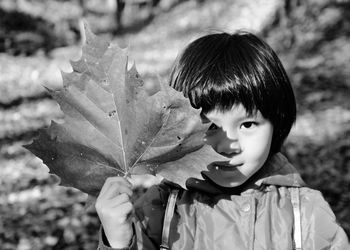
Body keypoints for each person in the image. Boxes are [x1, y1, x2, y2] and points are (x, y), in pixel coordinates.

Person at [95, 31, 350, 250]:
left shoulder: (304, 212)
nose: (229, 146)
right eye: (212, 126)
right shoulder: (160, 209)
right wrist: (116, 241)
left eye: (248, 124)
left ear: (277, 124)